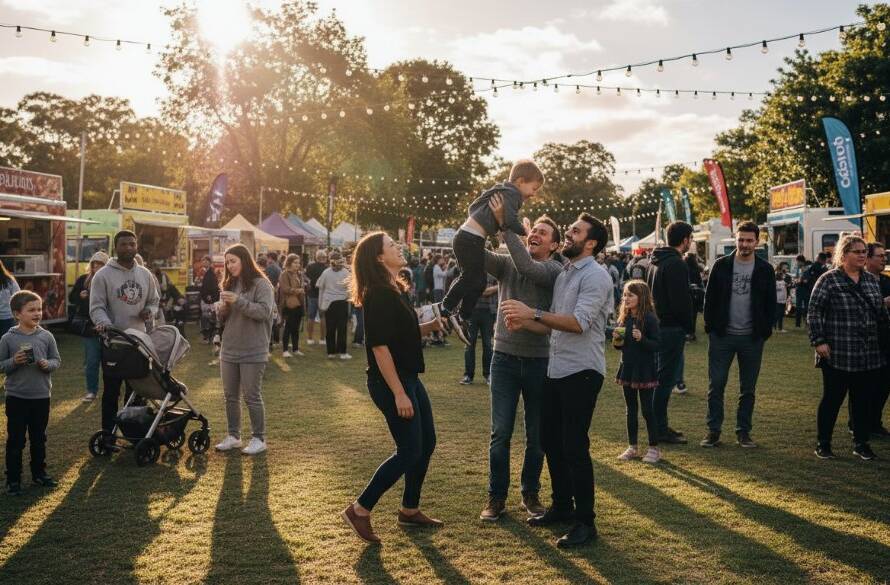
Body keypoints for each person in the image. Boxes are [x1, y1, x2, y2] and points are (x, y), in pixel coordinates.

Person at [502, 213, 613, 548]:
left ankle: (585, 522)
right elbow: (553, 323)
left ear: (590, 243)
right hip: (557, 368)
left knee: (575, 447)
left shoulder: (596, 276)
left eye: (575, 231)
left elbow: (578, 323)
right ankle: (563, 507)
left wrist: (532, 312)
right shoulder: (565, 273)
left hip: (583, 371)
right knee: (550, 440)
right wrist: (525, 321)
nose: (569, 233)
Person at [341, 232, 446, 543]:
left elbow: (403, 331)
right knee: (410, 450)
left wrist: (429, 327)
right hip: (391, 383)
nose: (398, 248)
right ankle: (359, 509)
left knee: (426, 443)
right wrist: (399, 392)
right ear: (378, 257)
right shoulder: (378, 294)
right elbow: (379, 347)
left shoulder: (396, 289)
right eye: (392, 246)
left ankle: (409, 510)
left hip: (410, 377)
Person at [478, 200, 563, 522]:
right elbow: (471, 252)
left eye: (542, 233)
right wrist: (482, 221)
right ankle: (496, 497)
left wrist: (507, 227)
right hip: (504, 360)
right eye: (533, 231)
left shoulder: (553, 270)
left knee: (536, 435)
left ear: (554, 245)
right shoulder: (505, 264)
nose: (535, 235)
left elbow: (528, 268)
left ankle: (530, 492)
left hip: (540, 362)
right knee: (500, 432)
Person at [437, 160, 544, 346]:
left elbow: (473, 208)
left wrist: (490, 232)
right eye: (533, 188)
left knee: (478, 282)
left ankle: (463, 316)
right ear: (520, 181)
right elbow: (509, 220)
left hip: (467, 236)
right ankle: (446, 307)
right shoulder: (513, 195)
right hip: (470, 239)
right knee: (471, 277)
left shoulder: (499, 189)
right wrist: (525, 230)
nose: (533, 194)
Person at [809, 235, 886, 461]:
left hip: (868, 354)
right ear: (844, 255)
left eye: (864, 251)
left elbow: (881, 314)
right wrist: (819, 341)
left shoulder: (872, 281)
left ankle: (861, 443)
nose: (862, 255)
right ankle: (823, 444)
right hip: (837, 353)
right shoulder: (828, 280)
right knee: (832, 399)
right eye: (857, 251)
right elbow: (814, 312)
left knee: (863, 401)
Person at [701, 222, 776, 448]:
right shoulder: (721, 265)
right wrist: (711, 327)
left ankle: (743, 431)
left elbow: (771, 303)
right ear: (736, 239)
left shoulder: (765, 269)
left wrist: (764, 331)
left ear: (757, 242)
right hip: (722, 336)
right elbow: (709, 299)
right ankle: (713, 431)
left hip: (752, 338)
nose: (744, 244)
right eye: (741, 239)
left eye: (749, 240)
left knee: (748, 388)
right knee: (717, 385)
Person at [89, 230, 160, 439]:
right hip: (114, 343)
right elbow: (96, 307)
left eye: (132, 244)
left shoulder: (145, 274)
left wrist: (150, 311)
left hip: (139, 343)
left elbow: (153, 301)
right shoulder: (103, 275)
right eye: (124, 245)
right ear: (116, 248)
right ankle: (108, 434)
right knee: (111, 391)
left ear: (136, 246)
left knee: (137, 391)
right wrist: (105, 324)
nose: (128, 248)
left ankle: (134, 435)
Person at [214, 244, 275, 456]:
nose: (229, 266)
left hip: (253, 348)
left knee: (251, 396)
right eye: (227, 262)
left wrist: (238, 301)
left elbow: (265, 313)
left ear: (244, 260)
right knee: (230, 396)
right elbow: (226, 319)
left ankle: (259, 438)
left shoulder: (262, 285)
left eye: (233, 261)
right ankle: (234, 436)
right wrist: (221, 311)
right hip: (229, 347)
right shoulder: (230, 283)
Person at [1, 290, 61, 496]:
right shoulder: (8, 338)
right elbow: (1, 365)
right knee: (16, 440)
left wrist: (48, 364)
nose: (37, 313)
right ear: (17, 314)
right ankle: (13, 480)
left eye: (39, 309)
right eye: (31, 310)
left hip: (41, 397)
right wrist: (13, 362)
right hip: (16, 397)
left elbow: (56, 360)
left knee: (38, 438)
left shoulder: (46, 336)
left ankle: (39, 474)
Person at [646, 221, 694, 444]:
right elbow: (681, 301)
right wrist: (689, 326)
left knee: (659, 379)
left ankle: (659, 426)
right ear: (685, 240)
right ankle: (659, 429)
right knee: (665, 381)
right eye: (690, 239)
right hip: (670, 327)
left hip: (657, 325)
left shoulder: (655, 261)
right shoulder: (676, 263)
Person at [613, 280, 661, 464]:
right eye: (624, 295)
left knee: (648, 410)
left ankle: (654, 448)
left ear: (641, 298)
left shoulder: (649, 318)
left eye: (630, 295)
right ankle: (632, 447)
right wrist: (617, 341)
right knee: (630, 409)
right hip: (627, 367)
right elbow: (620, 347)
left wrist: (642, 339)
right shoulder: (624, 318)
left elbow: (656, 345)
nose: (626, 298)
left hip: (644, 369)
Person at [68, 251, 108, 401]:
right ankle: (92, 391)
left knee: (110, 362)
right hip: (89, 328)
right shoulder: (83, 280)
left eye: (100, 264)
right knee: (92, 361)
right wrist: (80, 295)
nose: (96, 266)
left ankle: (110, 390)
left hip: (107, 327)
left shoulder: (109, 281)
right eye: (94, 263)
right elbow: (71, 298)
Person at [861, 243, 890, 438]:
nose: (884, 259)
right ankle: (859, 423)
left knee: (884, 385)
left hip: (887, 340)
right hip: (867, 340)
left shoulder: (887, 281)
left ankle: (875, 422)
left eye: (884, 256)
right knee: (866, 386)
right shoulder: (860, 281)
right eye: (879, 256)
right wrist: (884, 303)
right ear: (868, 259)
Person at [460, 274, 497, 385]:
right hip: (471, 312)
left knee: (487, 345)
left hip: (489, 312)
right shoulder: (470, 272)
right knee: (469, 344)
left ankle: (488, 375)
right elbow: (483, 291)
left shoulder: (494, 273)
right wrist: (498, 287)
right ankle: (468, 375)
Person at [317, 250, 352, 359]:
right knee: (341, 329)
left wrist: (321, 305)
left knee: (330, 328)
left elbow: (320, 289)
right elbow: (350, 290)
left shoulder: (326, 272)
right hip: (342, 303)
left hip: (329, 304)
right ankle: (342, 353)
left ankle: (331, 352)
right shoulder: (346, 272)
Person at [278, 254, 305, 358]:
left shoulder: (299, 274)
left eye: (298, 263)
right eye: (295, 263)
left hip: (299, 304)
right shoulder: (284, 274)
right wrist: (298, 290)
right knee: (288, 327)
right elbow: (285, 289)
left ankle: (295, 349)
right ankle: (285, 350)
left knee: (296, 328)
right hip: (288, 304)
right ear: (289, 263)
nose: (297, 265)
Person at [305, 250, 328, 346]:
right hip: (323, 295)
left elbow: (306, 278)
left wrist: (309, 283)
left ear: (316, 257)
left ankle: (310, 338)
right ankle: (322, 339)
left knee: (311, 317)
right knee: (323, 317)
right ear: (324, 258)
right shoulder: (327, 269)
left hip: (312, 295)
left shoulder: (310, 267)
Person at [198, 255, 220, 343]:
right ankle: (208, 337)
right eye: (203, 261)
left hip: (209, 300)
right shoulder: (207, 272)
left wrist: (209, 295)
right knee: (208, 317)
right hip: (207, 298)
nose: (203, 263)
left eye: (205, 261)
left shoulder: (211, 273)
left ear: (209, 262)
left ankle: (208, 337)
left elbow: (213, 286)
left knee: (208, 318)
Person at [0, 260, 21, 338]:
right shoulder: (10, 281)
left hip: (8, 317)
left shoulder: (9, 281)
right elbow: (18, 296)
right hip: (9, 317)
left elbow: (18, 296)